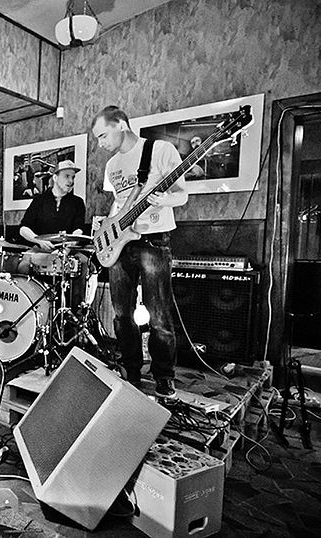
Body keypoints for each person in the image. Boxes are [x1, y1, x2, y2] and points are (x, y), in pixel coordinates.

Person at [91, 105, 188, 398]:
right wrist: (106, 230)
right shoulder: (112, 166)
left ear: (121, 124)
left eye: (102, 135)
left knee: (159, 315)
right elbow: (119, 203)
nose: (100, 143)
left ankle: (164, 377)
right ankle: (130, 371)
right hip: (120, 241)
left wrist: (163, 200)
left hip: (153, 239)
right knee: (122, 314)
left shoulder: (159, 150)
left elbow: (182, 195)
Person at [18, 159, 89, 306]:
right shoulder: (39, 200)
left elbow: (78, 230)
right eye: (67, 176)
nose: (71, 181)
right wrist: (38, 240)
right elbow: (23, 228)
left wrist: (66, 249)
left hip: (68, 250)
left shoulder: (77, 202)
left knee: (82, 262)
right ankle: (27, 306)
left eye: (73, 177)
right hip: (41, 249)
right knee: (24, 263)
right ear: (55, 177)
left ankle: (76, 311)